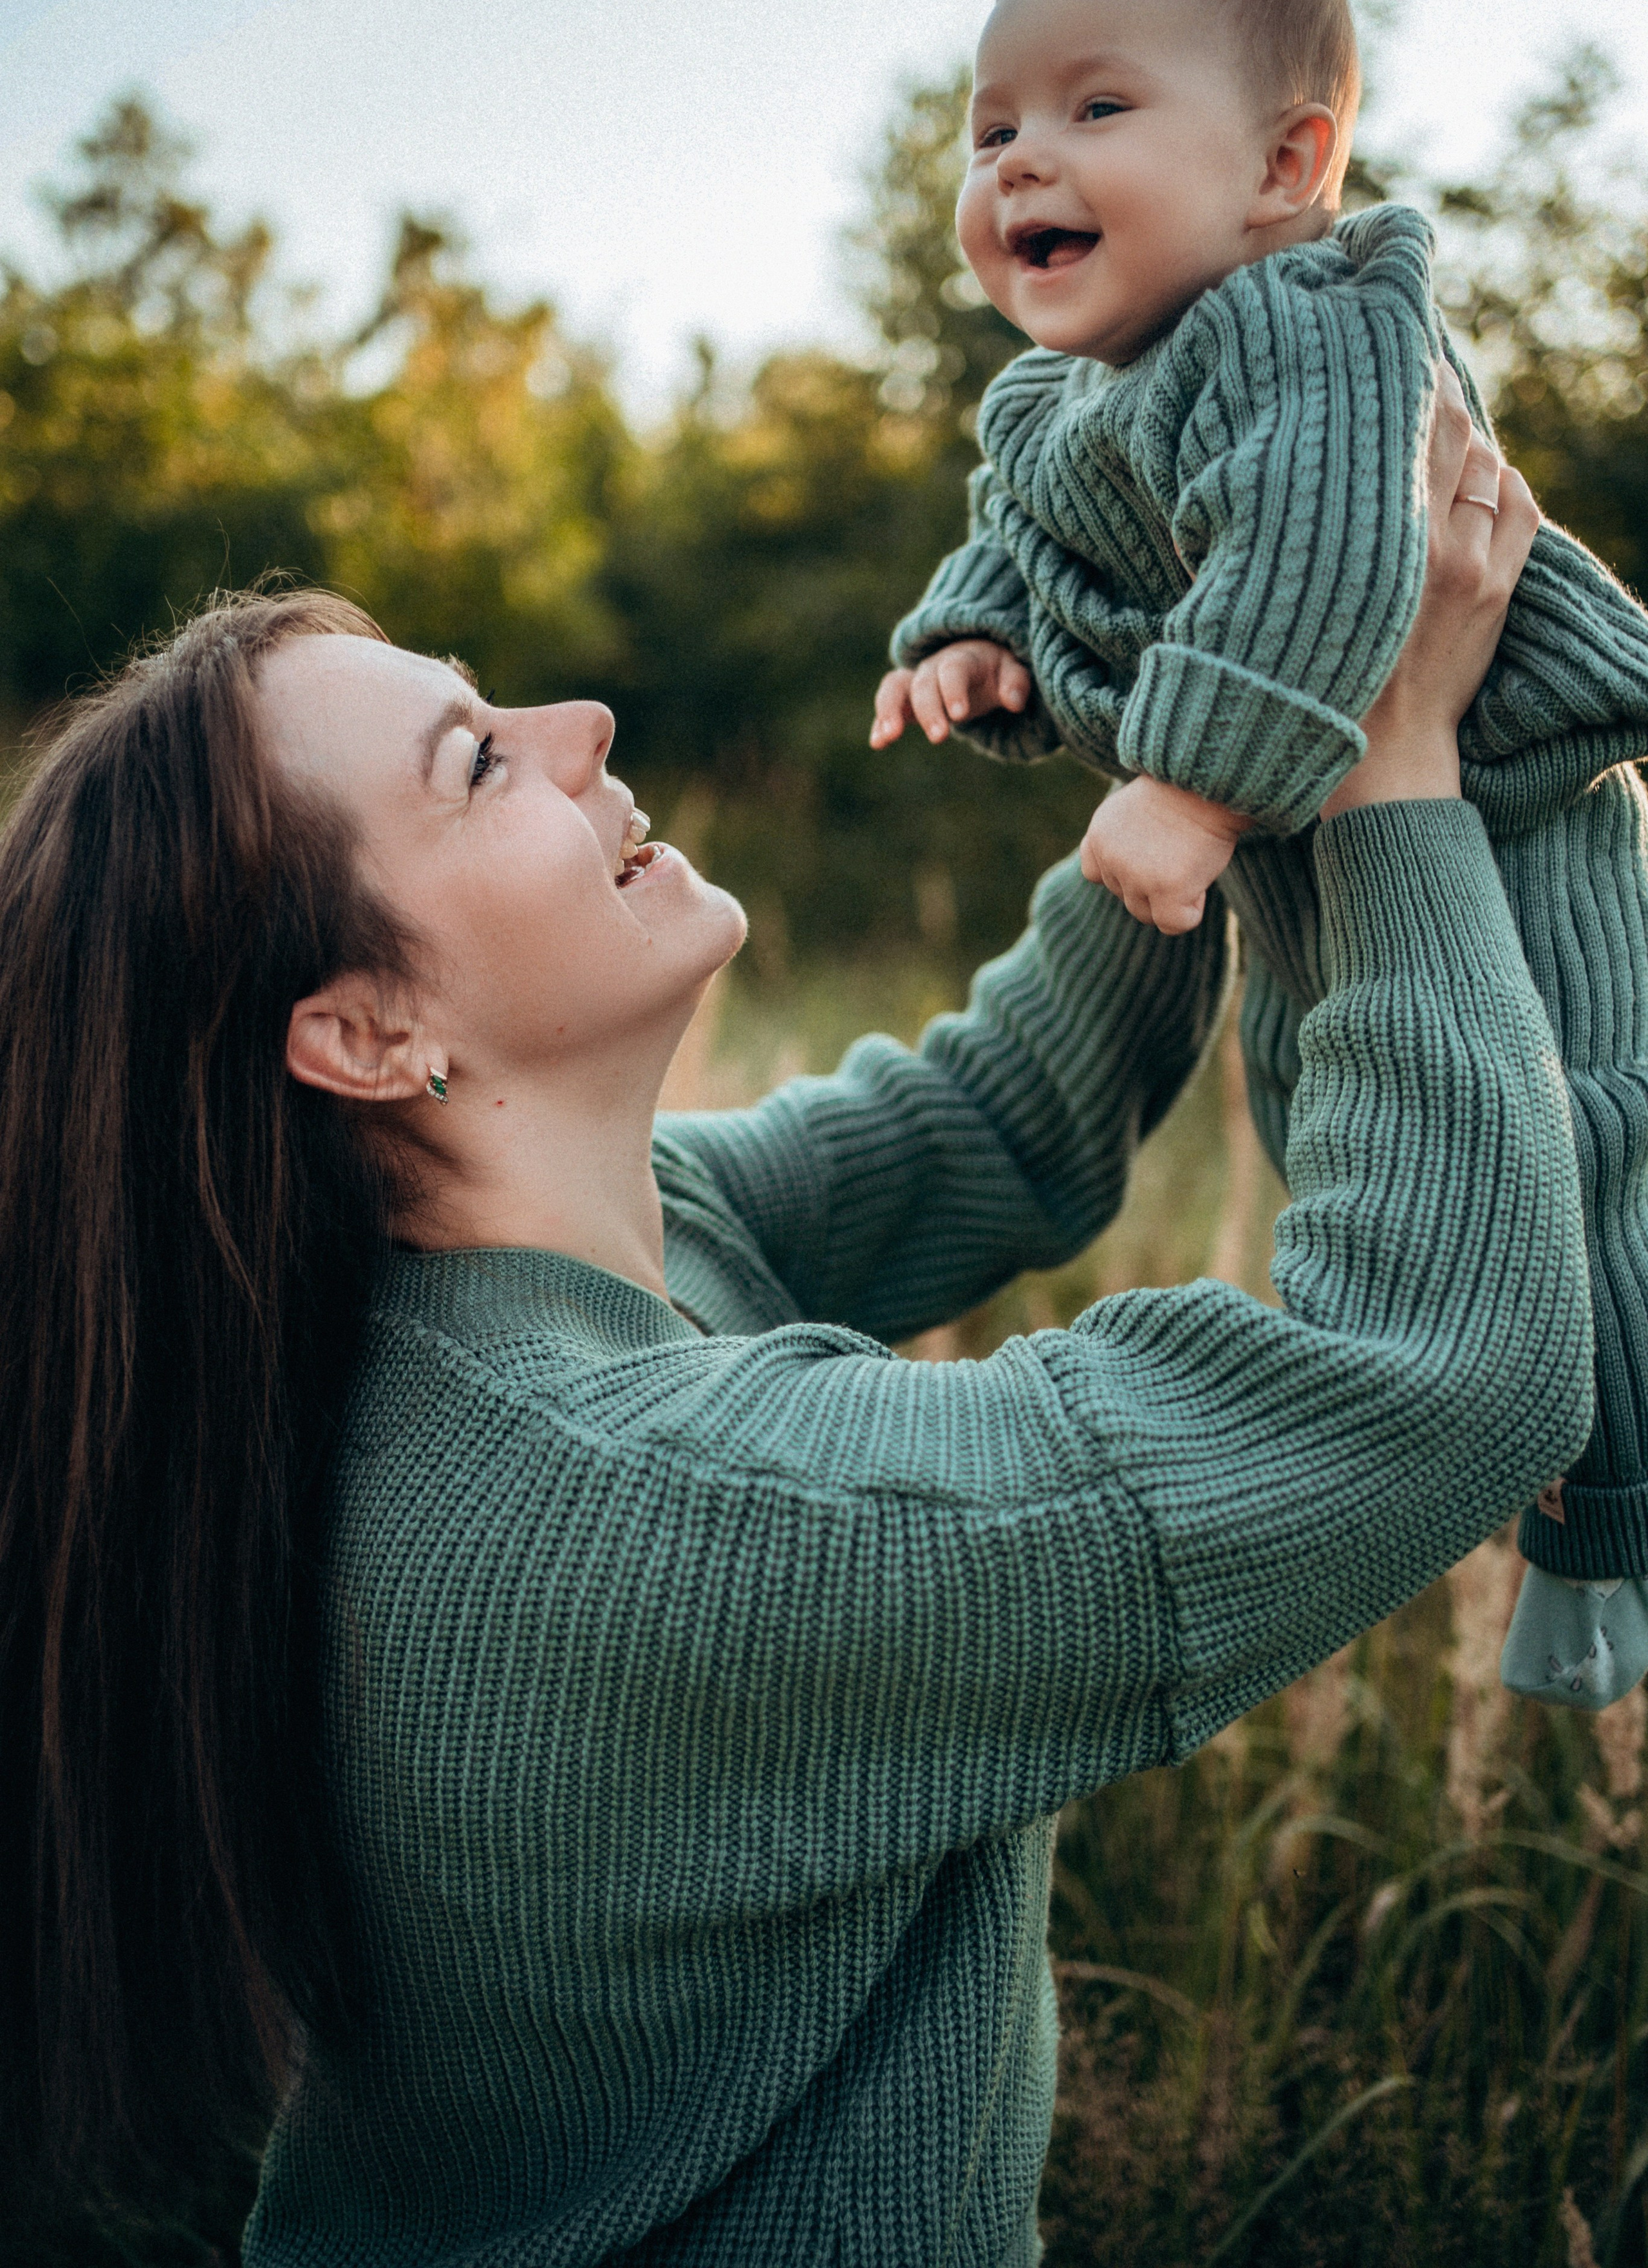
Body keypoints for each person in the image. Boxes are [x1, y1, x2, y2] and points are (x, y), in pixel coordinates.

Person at [0, 408, 1587, 2267]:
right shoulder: (673, 1516)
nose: (580, 724)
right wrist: (1394, 774)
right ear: (359, 1035)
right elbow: (1451, 1375)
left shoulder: (513, 1280)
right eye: (476, 762)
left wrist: (1220, 724)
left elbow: (1008, 1114)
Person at [871, 0, 1648, 1707]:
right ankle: (1538, 1489)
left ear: (1290, 167)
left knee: (1573, 1138)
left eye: (1097, 107)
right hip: (1328, 861)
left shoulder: (1313, 320)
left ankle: (1606, 1523)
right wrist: (969, 645)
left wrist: (1194, 792)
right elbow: (1026, 550)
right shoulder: (1053, 406)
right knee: (1352, 1143)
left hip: (1518, 835)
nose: (1020, 163)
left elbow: (1316, 564)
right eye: (993, 129)